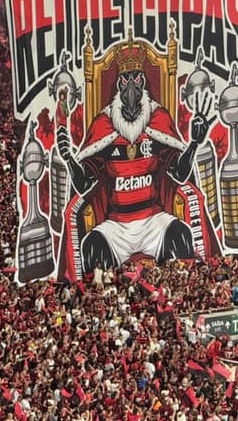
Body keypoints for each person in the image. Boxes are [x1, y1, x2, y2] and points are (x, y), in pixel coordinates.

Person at [55, 36, 214, 272]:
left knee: (180, 233)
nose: (131, 86)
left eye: (136, 79)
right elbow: (83, 183)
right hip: (117, 226)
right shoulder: (103, 125)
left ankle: (180, 291)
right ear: (117, 85)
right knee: (92, 245)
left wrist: (193, 143)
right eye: (125, 80)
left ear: (144, 83)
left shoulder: (158, 120)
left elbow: (179, 174)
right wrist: (68, 158)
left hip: (153, 220)